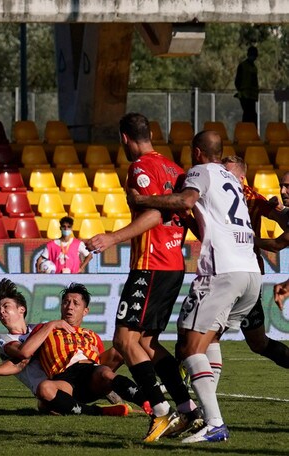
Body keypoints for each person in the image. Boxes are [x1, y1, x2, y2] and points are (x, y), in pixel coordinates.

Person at [129, 130, 262, 443]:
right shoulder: (233, 181)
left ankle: (213, 422)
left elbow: (187, 198)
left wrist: (143, 199)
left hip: (222, 271)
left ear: (198, 152)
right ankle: (206, 414)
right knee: (208, 338)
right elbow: (208, 220)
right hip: (250, 272)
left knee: (188, 345)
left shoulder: (200, 172)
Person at [86, 113, 200, 441]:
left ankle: (161, 413)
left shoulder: (139, 168)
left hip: (152, 263)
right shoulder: (175, 169)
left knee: (124, 341)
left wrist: (111, 238)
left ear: (124, 138)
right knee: (146, 343)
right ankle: (187, 409)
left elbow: (153, 214)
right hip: (174, 263)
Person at [0, 279, 135, 416]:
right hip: (54, 388)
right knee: (46, 405)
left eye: (5, 307)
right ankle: (97, 410)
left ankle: (143, 392)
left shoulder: (41, 329)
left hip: (74, 376)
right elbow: (22, 358)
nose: (1, 312)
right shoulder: (3, 339)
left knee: (118, 351)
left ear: (21, 309)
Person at [221, 156, 289, 369]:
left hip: (244, 276)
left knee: (201, 334)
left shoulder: (251, 198)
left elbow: (279, 241)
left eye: (288, 187)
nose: (283, 191)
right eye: (282, 187)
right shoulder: (214, 193)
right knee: (257, 342)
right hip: (228, 274)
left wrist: (246, 237)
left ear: (242, 177)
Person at [235, 46, 260, 124]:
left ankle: (250, 132)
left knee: (252, 116)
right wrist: (241, 92)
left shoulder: (254, 68)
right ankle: (246, 132)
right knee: (248, 115)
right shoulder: (243, 66)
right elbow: (237, 81)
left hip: (252, 96)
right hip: (245, 95)